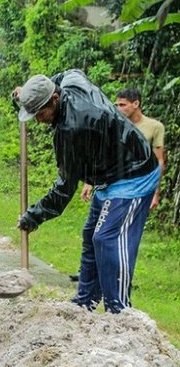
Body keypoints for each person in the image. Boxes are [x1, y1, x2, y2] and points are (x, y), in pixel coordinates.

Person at [15, 71, 159, 314]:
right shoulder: (71, 84)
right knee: (90, 234)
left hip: (133, 173)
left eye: (40, 113)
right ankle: (86, 302)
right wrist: (27, 95)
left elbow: (65, 187)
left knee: (107, 238)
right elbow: (70, 72)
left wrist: (34, 215)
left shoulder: (72, 129)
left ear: (54, 100)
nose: (38, 120)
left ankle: (120, 311)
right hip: (109, 172)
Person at [80, 86, 165, 210]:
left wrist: (155, 192)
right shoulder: (114, 125)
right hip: (112, 184)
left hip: (138, 185)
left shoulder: (155, 127)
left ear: (136, 104)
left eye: (122, 105)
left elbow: (159, 161)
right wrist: (89, 181)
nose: (118, 109)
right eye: (116, 105)